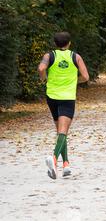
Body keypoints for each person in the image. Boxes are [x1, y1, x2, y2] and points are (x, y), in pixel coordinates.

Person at [38, 32, 90, 179]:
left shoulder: (49, 56)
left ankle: (66, 164)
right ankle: (54, 159)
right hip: (67, 97)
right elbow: (86, 77)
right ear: (69, 43)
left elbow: (41, 69)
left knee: (61, 130)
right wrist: (74, 81)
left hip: (52, 96)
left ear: (55, 43)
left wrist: (44, 79)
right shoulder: (76, 57)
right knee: (63, 131)